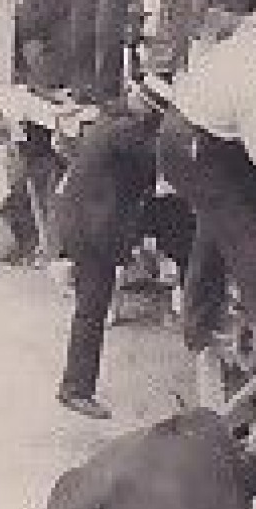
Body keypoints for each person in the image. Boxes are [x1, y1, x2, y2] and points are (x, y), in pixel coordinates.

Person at [160, 0, 256, 374]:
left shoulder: (250, 42)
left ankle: (202, 317)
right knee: (245, 238)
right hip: (190, 147)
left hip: (217, 138)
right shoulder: (253, 78)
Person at [52, 77, 172, 419]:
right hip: (94, 229)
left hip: (82, 218)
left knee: (90, 306)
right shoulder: (128, 134)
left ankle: (76, 386)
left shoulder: (110, 120)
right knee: (92, 307)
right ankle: (75, 388)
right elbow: (158, 159)